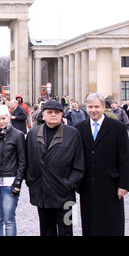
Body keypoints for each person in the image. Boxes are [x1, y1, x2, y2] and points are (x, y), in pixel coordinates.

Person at [75, 93, 129, 236]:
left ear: (103, 107)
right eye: (90, 107)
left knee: (112, 221)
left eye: (96, 107)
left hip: (111, 183)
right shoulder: (79, 128)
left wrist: (124, 184)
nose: (93, 110)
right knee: (90, 220)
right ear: (86, 108)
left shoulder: (117, 127)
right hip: (87, 184)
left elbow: (124, 159)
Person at [25, 100, 84, 236]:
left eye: (57, 112)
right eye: (49, 112)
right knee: (46, 231)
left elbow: (79, 164)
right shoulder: (33, 134)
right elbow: (27, 161)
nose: (53, 115)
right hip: (42, 193)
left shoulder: (73, 133)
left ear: (62, 115)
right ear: (43, 115)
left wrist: (69, 184)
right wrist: (31, 181)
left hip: (66, 195)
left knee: (67, 231)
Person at [0, 105, 26, 236]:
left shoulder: (18, 135)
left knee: (9, 219)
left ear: (8, 117)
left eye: (3, 118)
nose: (1, 121)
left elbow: (22, 160)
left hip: (10, 181)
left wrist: (18, 182)